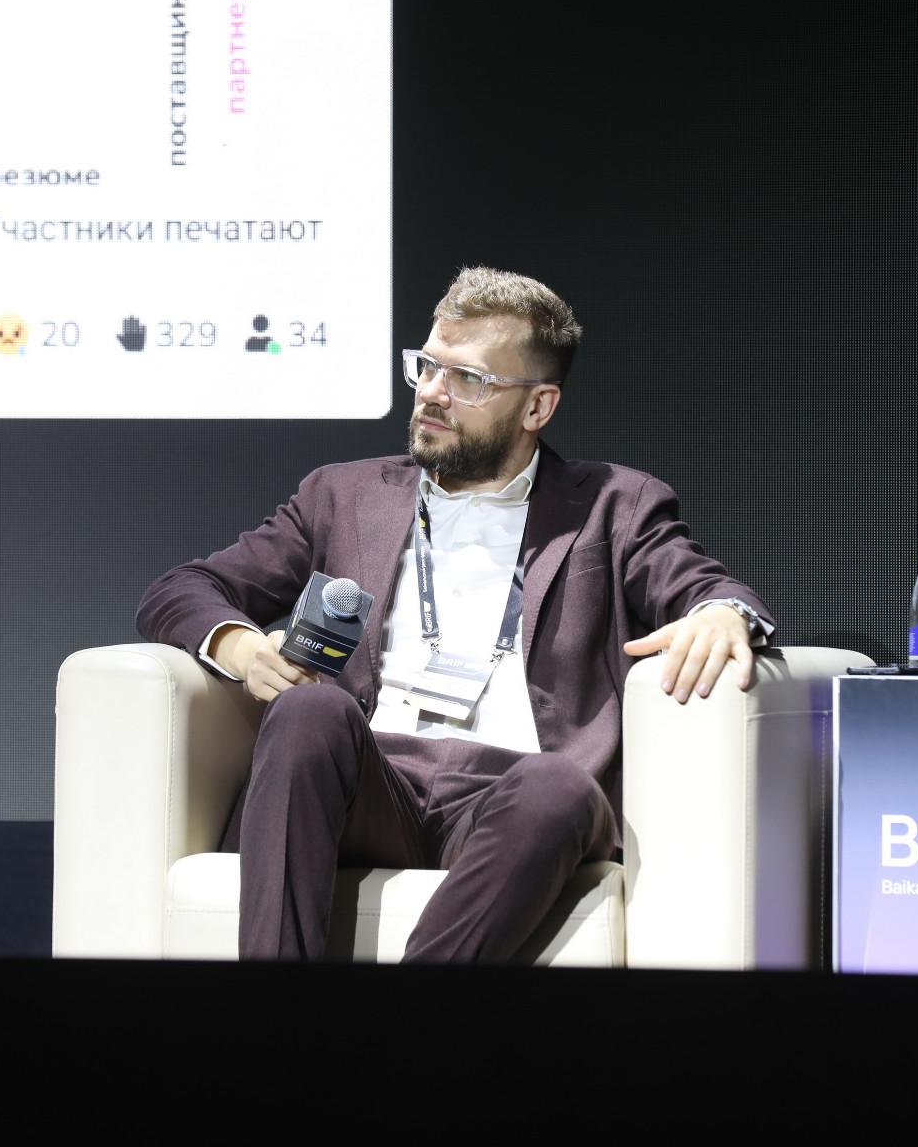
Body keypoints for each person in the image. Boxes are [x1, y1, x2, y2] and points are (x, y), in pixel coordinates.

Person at [137, 266, 774, 963]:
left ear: (537, 407)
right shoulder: (342, 495)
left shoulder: (614, 505)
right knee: (308, 712)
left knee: (560, 786)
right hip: (371, 784)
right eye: (429, 366)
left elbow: (703, 586)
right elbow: (183, 588)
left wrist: (723, 614)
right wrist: (239, 647)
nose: (434, 394)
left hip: (514, 796)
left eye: (468, 379)